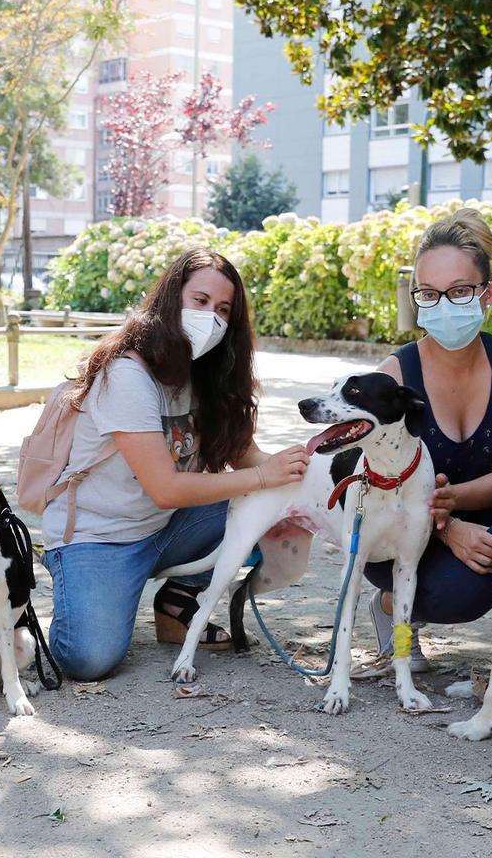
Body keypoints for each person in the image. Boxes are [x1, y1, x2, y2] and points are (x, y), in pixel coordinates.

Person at [41, 247, 310, 681]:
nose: (212, 319)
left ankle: (176, 605)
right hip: (99, 536)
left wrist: (296, 469)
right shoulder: (127, 374)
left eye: (223, 310)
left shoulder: (204, 374)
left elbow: (245, 456)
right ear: (171, 298)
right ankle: (30, 611)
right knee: (87, 660)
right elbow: (165, 487)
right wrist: (263, 476)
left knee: (276, 506)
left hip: (166, 526)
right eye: (200, 301)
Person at [365, 207, 492, 669]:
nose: (444, 305)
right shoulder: (395, 376)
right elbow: (383, 494)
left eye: (460, 291)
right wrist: (447, 529)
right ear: (416, 297)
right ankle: (391, 618)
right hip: (401, 527)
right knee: (449, 596)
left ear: (487, 295)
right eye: (429, 293)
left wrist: (448, 503)